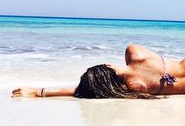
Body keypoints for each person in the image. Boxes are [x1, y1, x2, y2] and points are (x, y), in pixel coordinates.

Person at [12, 44, 185, 99]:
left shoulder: (133, 87)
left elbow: (77, 90)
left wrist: (39, 92)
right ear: (107, 65)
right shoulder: (134, 52)